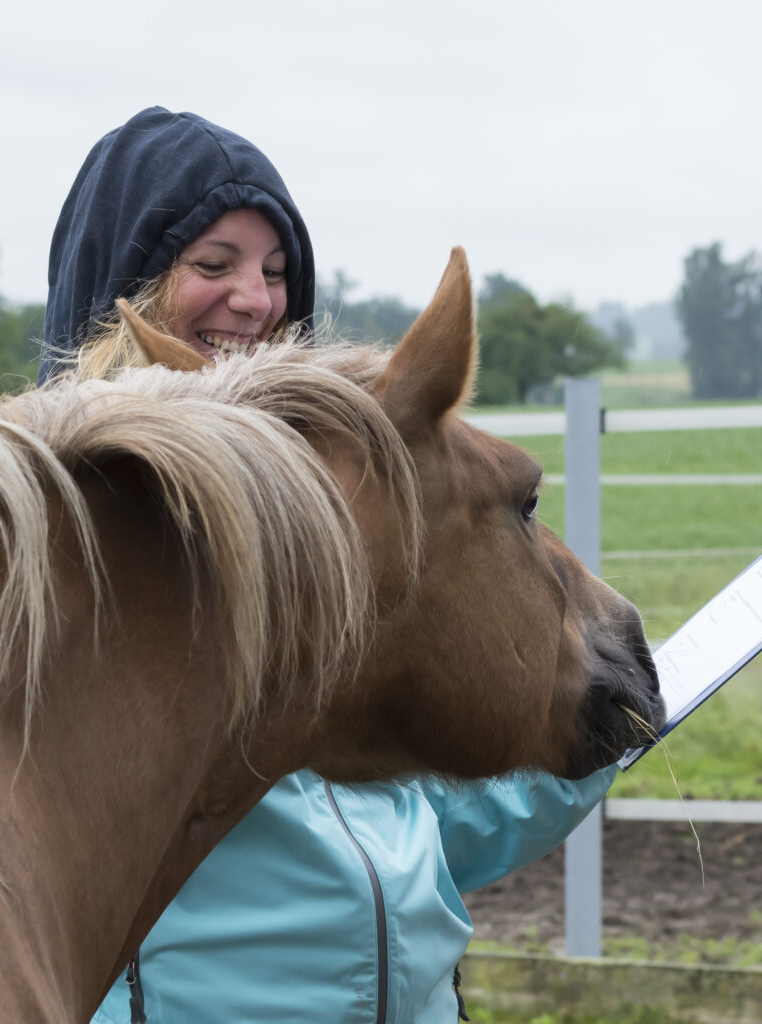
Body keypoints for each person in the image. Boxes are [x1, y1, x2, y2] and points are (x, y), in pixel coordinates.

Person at [41, 106, 617, 1024]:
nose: (257, 300)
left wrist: (574, 713)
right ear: (125, 287)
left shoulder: (327, 529)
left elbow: (404, 833)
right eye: (214, 265)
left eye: (276, 271)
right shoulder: (97, 553)